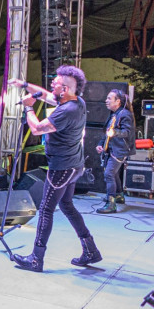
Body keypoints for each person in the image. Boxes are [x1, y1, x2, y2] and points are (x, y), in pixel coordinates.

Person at [10, 65, 103, 272]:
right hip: (74, 165)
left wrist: (28, 107)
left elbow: (36, 128)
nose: (52, 83)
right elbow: (44, 95)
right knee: (67, 206)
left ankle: (36, 259)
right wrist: (24, 85)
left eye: (57, 82)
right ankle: (91, 250)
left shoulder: (66, 111)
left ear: (66, 89)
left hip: (62, 168)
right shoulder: (76, 101)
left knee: (45, 210)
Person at [95, 89, 135, 213]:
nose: (106, 101)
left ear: (117, 101)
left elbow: (127, 133)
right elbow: (107, 133)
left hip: (120, 150)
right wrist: (101, 144)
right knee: (114, 173)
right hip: (112, 148)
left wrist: (115, 132)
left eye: (109, 98)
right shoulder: (114, 114)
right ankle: (118, 196)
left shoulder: (124, 114)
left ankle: (111, 204)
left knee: (109, 174)